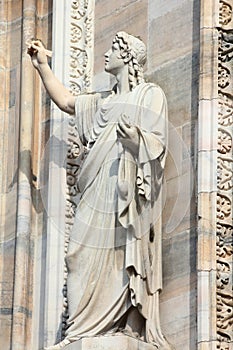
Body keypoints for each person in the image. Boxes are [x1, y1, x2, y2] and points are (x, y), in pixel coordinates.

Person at [28, 31, 171, 349]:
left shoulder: (149, 95)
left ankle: (116, 324)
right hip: (95, 189)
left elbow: (158, 141)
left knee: (120, 257)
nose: (106, 54)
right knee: (76, 255)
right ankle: (79, 329)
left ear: (129, 58)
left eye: (113, 49)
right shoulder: (100, 103)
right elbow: (66, 101)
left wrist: (135, 139)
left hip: (125, 192)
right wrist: (41, 67)